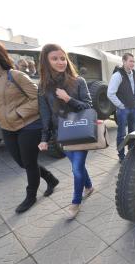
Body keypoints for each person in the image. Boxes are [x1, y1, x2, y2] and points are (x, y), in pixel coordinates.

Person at [0, 40, 59, 213]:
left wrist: (17, 113)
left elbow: (38, 99)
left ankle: (31, 196)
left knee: (29, 162)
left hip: (29, 125)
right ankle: (51, 178)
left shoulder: (16, 75)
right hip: (6, 127)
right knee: (21, 162)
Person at [37, 43, 94, 219]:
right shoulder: (43, 87)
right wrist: (44, 138)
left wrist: (68, 98)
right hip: (61, 135)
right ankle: (89, 186)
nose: (60, 62)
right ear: (46, 62)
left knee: (76, 168)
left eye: (63, 58)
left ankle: (75, 203)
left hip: (81, 131)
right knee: (78, 166)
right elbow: (45, 115)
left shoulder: (78, 81)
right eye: (55, 59)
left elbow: (88, 107)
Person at [107, 53, 135, 162]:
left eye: (133, 61)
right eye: (130, 61)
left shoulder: (134, 74)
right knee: (121, 133)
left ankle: (131, 153)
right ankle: (121, 156)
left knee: (133, 132)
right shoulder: (117, 75)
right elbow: (110, 93)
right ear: (124, 61)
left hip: (134, 108)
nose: (132, 63)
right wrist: (121, 106)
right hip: (123, 110)